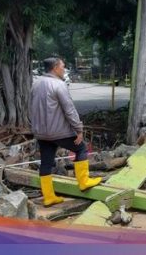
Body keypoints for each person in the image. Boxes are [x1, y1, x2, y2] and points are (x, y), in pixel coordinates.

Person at [30, 57, 101, 207]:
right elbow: (69, 110)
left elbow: (32, 109)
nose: (64, 69)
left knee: (46, 162)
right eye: (63, 66)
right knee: (81, 148)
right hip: (59, 132)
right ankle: (84, 182)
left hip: (41, 133)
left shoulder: (35, 84)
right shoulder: (59, 85)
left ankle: (49, 197)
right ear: (55, 67)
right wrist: (79, 129)